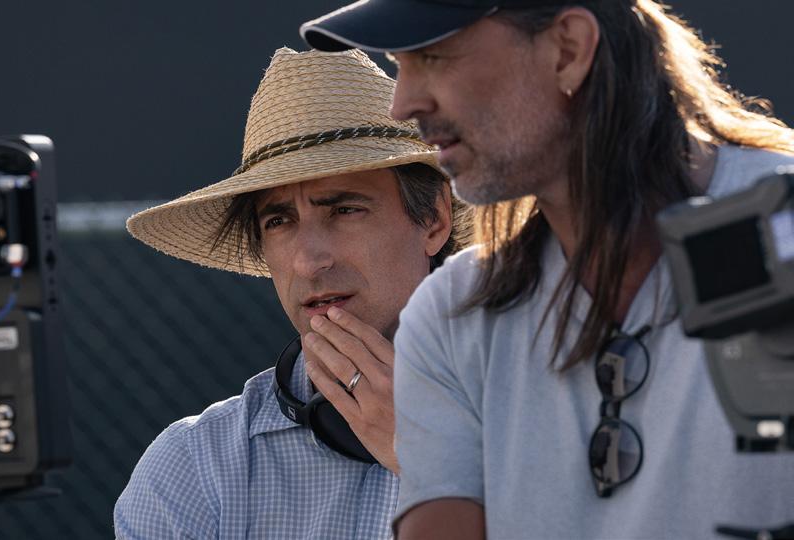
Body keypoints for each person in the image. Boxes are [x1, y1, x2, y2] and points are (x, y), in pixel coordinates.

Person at [301, 1, 794, 538]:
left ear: (568, 50)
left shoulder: (784, 235)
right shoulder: (451, 316)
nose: (402, 104)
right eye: (401, 65)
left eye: (434, 57)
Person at [114, 47, 467, 539]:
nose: (308, 261)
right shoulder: (194, 468)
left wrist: (434, 463)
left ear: (434, 219)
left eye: (344, 210)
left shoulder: (542, 417)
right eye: (278, 221)